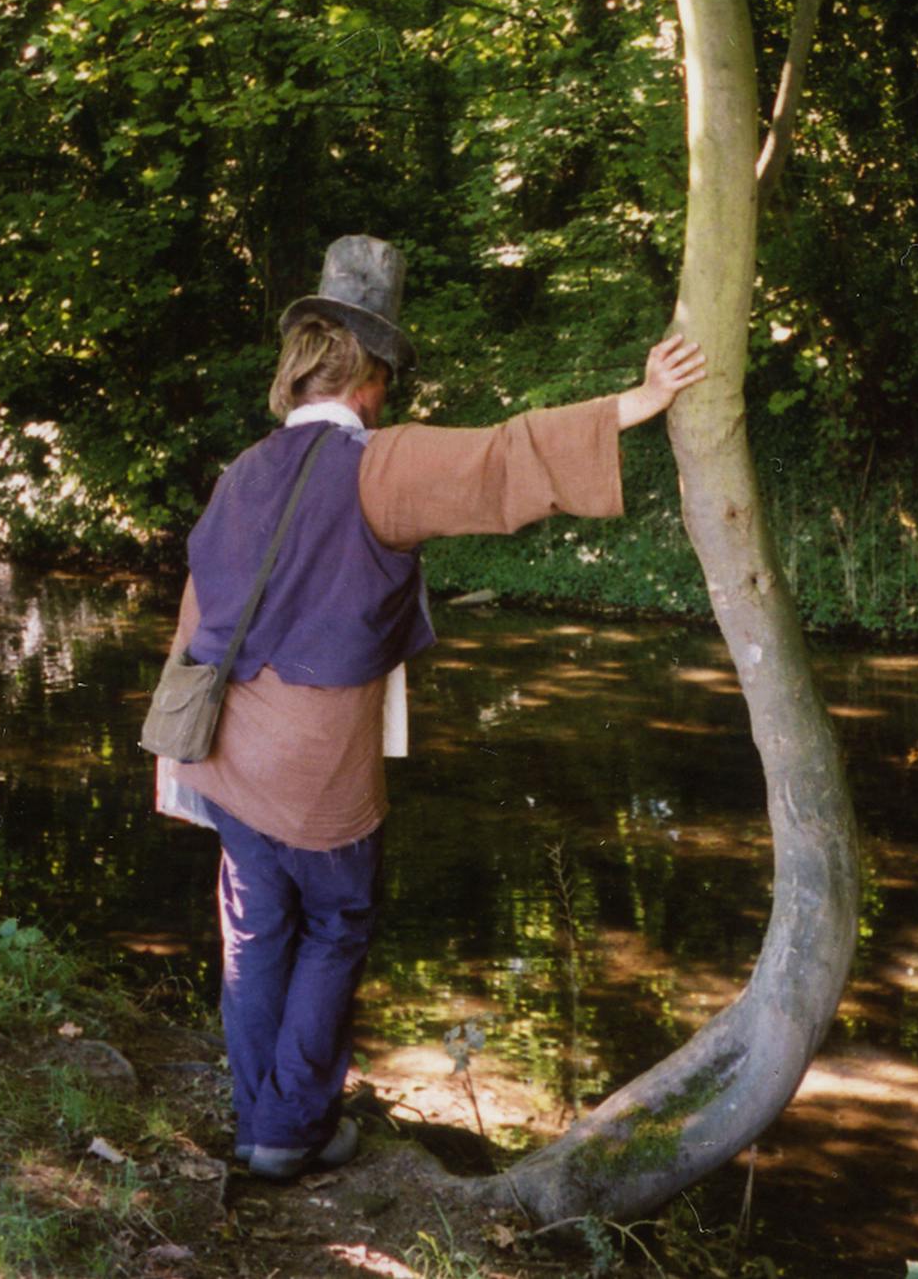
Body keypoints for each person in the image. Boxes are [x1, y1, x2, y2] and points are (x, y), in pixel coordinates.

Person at [152, 234, 705, 1180]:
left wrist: (176, 768)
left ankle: (261, 1122)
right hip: (317, 766)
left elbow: (197, 620)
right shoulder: (382, 463)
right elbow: (504, 461)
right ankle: (289, 1131)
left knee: (252, 931)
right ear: (371, 375)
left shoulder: (240, 473)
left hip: (226, 754)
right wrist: (641, 402)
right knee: (335, 925)